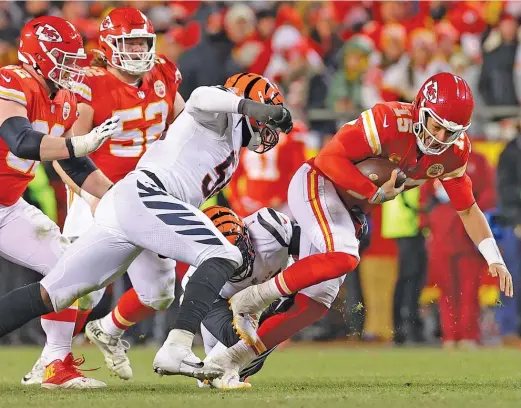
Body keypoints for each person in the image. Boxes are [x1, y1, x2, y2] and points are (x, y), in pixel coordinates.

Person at [218, 72, 514, 383]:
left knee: (315, 303)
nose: (440, 137)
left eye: (450, 131)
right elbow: (330, 159)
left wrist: (493, 256)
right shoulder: (388, 120)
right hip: (318, 183)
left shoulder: (455, 151)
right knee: (345, 255)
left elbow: (467, 208)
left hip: (350, 208)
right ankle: (255, 297)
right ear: (420, 108)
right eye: (436, 124)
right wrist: (371, 191)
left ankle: (232, 359)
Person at [0, 72, 293, 382]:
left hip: (129, 202)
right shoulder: (218, 113)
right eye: (266, 118)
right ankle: (177, 346)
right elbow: (202, 95)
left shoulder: (231, 142)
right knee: (224, 254)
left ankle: (113, 331)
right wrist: (257, 109)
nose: (268, 130)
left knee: (54, 293)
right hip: (148, 194)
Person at [22, 7, 185, 386]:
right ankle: (51, 361)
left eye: (143, 41)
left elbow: (184, 130)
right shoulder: (88, 84)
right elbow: (66, 151)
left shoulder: (164, 73)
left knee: (159, 293)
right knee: (80, 286)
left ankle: (108, 330)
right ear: (110, 46)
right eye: (129, 43)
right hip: (98, 192)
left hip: (148, 196)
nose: (137, 50)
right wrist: (88, 195)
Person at [0, 15, 120, 389]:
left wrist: (120, 198)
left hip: (8, 207)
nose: (71, 66)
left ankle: (56, 365)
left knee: (70, 268)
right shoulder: (11, 81)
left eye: (73, 58)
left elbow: (76, 164)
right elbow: (21, 140)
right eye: (62, 57)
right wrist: (78, 143)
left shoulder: (64, 98)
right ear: (37, 56)